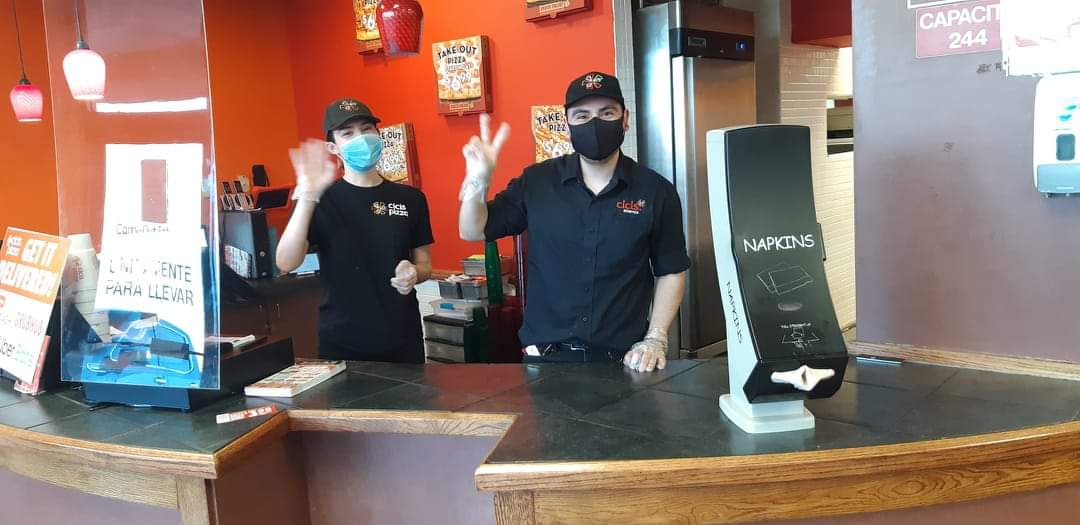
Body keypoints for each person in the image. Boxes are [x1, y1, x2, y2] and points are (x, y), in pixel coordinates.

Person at [458, 72, 689, 373]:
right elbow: (472, 230)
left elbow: (671, 270)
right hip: (545, 360)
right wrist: (477, 182)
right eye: (582, 115)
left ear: (625, 119)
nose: (594, 123)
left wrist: (656, 338)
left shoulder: (656, 191)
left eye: (607, 113)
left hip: (626, 362)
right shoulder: (536, 182)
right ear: (567, 124)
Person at [276, 98, 433, 363]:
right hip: (343, 340)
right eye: (347, 133)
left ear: (378, 134)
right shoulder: (320, 199)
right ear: (333, 147)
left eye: (366, 129)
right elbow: (286, 262)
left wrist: (414, 273)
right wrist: (307, 197)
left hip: (402, 336)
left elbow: (425, 264)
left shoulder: (411, 198)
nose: (361, 138)